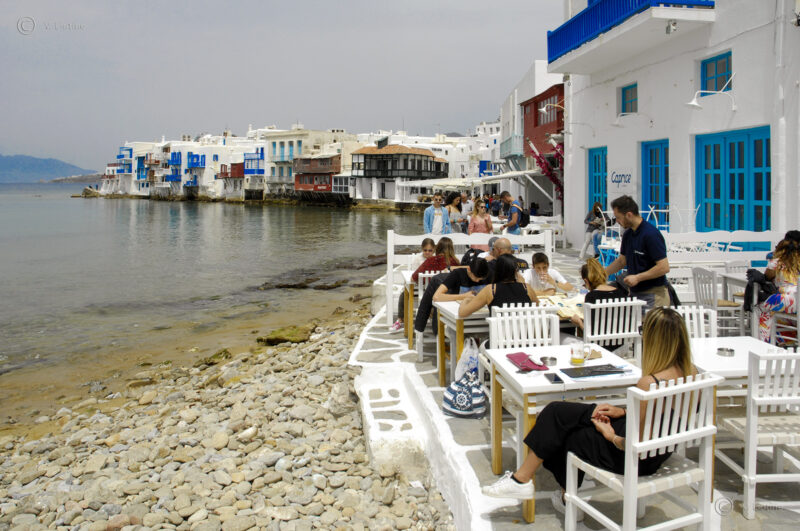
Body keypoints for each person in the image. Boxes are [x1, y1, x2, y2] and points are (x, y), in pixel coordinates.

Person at [482, 307, 697, 518]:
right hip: (659, 451)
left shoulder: (649, 383)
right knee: (558, 414)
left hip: (635, 457)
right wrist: (622, 411)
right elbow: (661, 416)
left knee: (566, 431)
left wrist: (610, 435)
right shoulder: (691, 372)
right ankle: (526, 480)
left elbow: (635, 445)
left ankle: (545, 490)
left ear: (656, 340)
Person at [605, 195, 670, 308]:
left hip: (654, 295)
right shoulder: (628, 234)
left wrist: (637, 277)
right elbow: (621, 261)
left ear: (629, 215)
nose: (617, 221)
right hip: (635, 294)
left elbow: (664, 267)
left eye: (618, 217)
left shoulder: (650, 234)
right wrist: (602, 273)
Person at [414, 258, 490, 334]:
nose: (477, 281)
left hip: (477, 313)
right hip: (455, 311)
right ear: (469, 269)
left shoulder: (487, 275)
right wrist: (463, 296)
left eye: (481, 279)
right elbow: (436, 297)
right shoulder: (457, 274)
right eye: (476, 277)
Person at [569, 258, 630, 349]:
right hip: (621, 346)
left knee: (563, 337)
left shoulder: (592, 296)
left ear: (586, 281)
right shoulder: (622, 293)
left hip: (600, 346)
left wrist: (579, 322)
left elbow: (591, 332)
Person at [458, 254, 538, 317]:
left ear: (497, 270)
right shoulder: (527, 288)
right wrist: (522, 282)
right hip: (523, 332)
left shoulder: (491, 290)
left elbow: (462, 313)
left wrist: (466, 300)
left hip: (498, 333)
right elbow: (537, 306)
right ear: (515, 271)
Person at [756, 234, 800, 344]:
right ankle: (786, 339)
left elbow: (767, 277)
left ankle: (764, 342)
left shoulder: (777, 262)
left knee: (761, 307)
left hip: (788, 298)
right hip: (797, 301)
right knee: (780, 313)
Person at [391, 238, 436, 332]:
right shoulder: (418, 259)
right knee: (404, 295)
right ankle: (400, 319)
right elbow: (413, 276)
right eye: (425, 250)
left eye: (430, 250)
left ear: (434, 250)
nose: (427, 252)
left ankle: (435, 320)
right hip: (419, 287)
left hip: (432, 289)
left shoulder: (436, 259)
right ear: (422, 249)